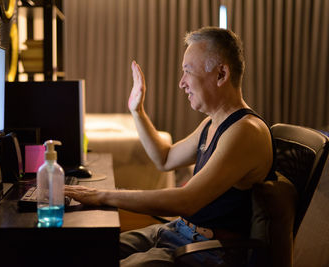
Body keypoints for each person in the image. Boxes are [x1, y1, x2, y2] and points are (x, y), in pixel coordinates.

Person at [65, 26, 276, 266]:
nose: (181, 83)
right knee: (86, 251)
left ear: (221, 74)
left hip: (210, 249)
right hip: (178, 230)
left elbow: (186, 200)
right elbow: (164, 159)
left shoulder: (245, 131)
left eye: (188, 71)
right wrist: (137, 111)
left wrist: (103, 196)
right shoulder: (212, 123)